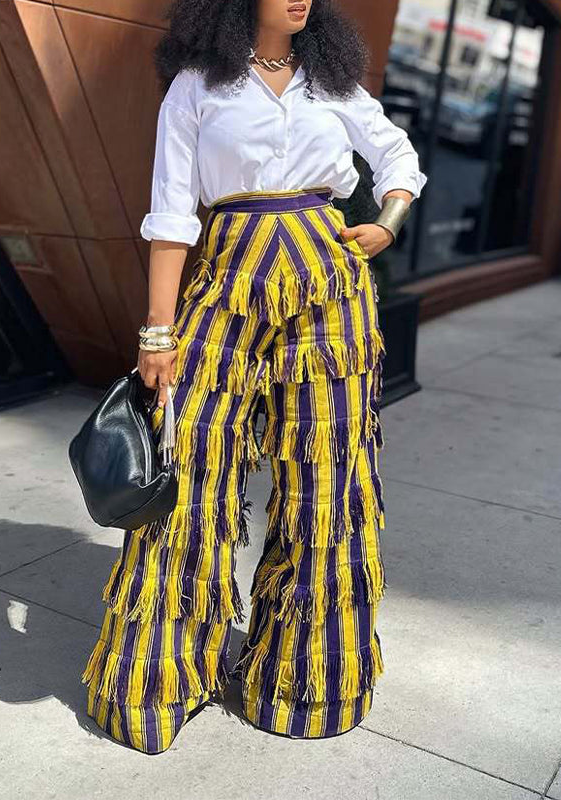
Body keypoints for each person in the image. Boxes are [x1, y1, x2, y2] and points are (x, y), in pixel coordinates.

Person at [81, 0, 428, 754]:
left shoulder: (332, 81)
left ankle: (304, 687)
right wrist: (158, 332)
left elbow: (398, 155)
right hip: (229, 275)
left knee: (326, 481)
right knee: (191, 468)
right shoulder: (199, 84)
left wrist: (388, 221)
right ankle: (159, 685)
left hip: (329, 283)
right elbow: (172, 213)